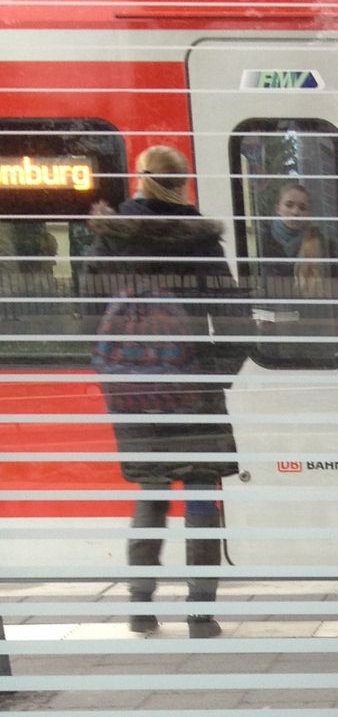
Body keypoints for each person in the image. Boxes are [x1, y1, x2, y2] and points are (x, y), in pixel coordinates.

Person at [80, 145, 249, 638]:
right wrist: (211, 375)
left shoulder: (110, 239)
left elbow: (89, 319)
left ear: (139, 180)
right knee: (200, 494)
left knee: (151, 492)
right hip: (192, 385)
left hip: (133, 393)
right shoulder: (199, 241)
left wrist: (118, 375)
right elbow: (235, 322)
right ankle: (200, 614)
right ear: (182, 184)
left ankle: (140, 606)